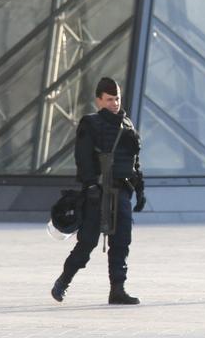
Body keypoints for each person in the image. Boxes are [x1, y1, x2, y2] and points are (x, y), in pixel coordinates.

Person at [51, 77, 145, 305]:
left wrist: (140, 190)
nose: (115, 103)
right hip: (99, 190)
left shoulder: (127, 124)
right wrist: (91, 184)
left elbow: (134, 163)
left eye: (117, 99)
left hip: (121, 189)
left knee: (122, 241)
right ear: (99, 101)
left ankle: (117, 289)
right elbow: (83, 157)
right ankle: (64, 281)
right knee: (88, 241)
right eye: (110, 99)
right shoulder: (90, 123)